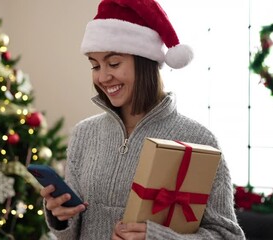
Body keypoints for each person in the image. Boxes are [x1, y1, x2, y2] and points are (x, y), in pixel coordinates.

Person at [40, 0, 246, 239]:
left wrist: (159, 237)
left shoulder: (198, 140)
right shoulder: (84, 134)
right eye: (95, 65)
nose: (103, 76)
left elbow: (228, 236)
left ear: (145, 61)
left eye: (114, 63)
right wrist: (61, 216)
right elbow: (72, 233)